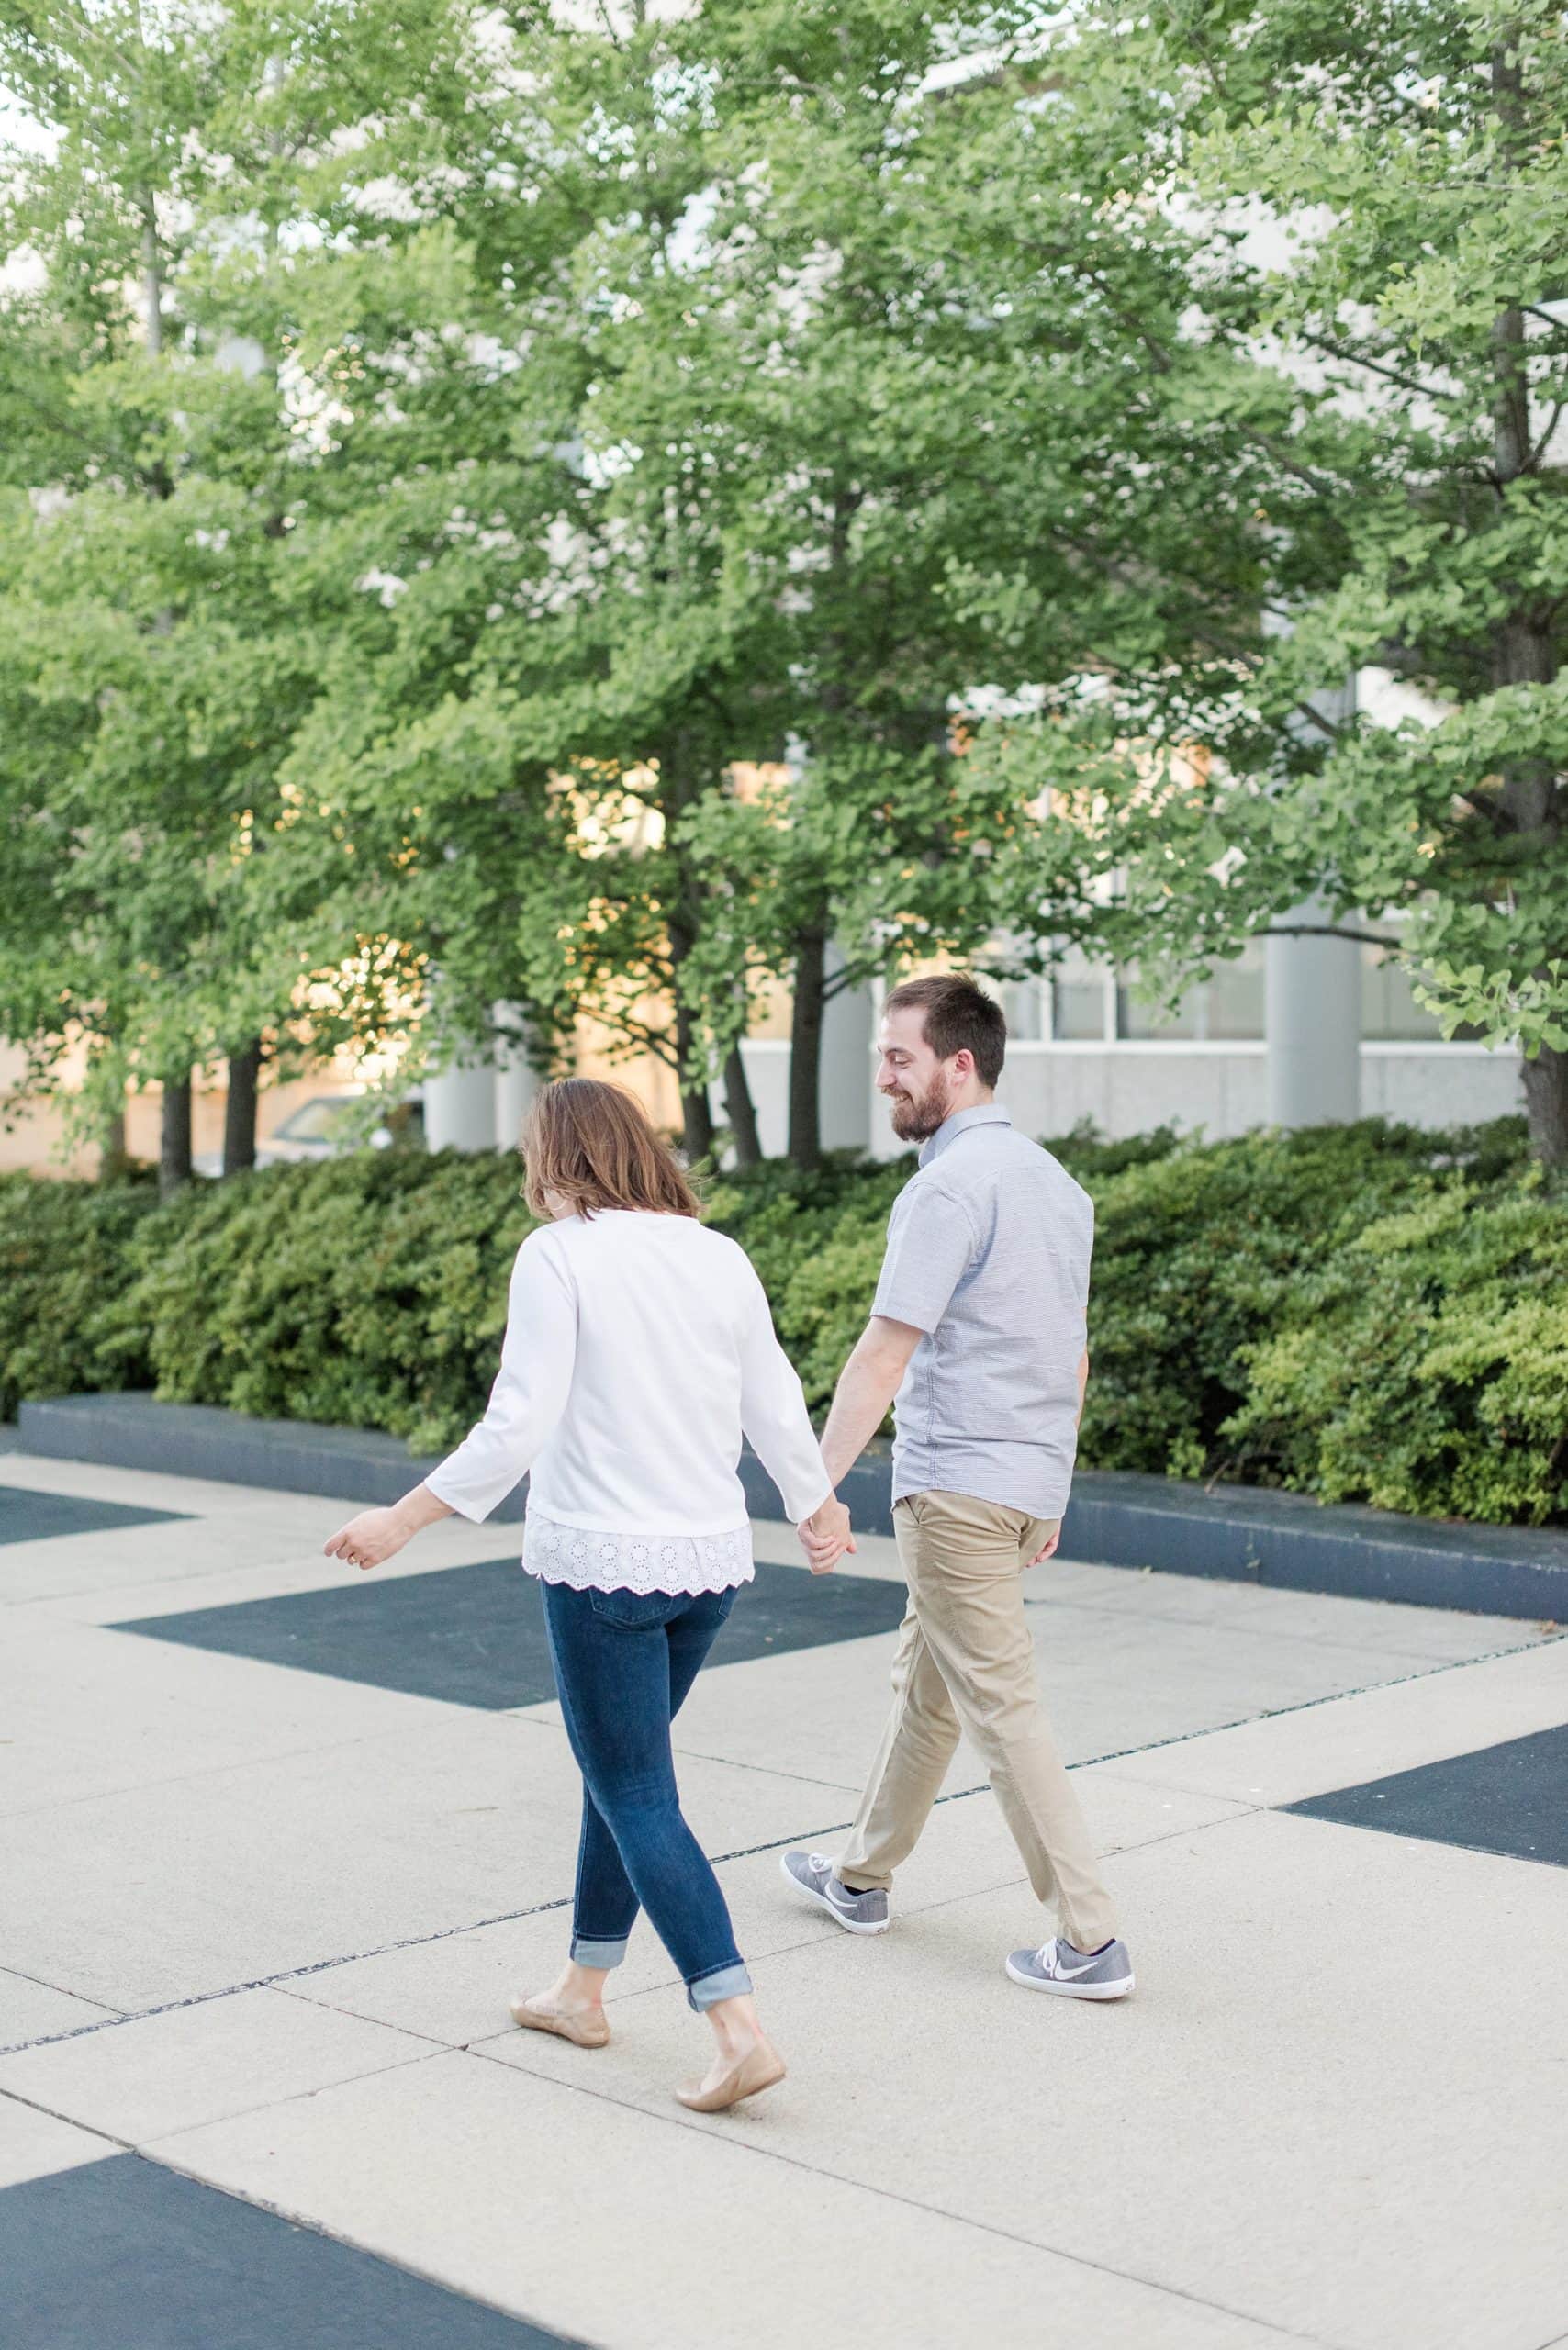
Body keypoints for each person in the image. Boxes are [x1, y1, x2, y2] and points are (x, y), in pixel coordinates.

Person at [325, 1077, 853, 2109]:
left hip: (602, 1567)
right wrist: (814, 1502)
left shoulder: (558, 1257)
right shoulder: (718, 1254)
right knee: (620, 1777)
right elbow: (775, 1396)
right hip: (706, 1569)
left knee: (636, 1791)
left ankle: (736, 2025)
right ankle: (582, 1987)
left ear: (552, 1159)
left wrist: (404, 1517)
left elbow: (518, 1420)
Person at [782, 974, 1133, 1999]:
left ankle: (1088, 1939)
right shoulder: (1056, 1186)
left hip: (955, 1495)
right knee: (927, 1689)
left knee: (1000, 1709)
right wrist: (1051, 1494)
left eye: (898, 1058)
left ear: (958, 1063)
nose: (884, 1077)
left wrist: (814, 1486)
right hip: (1018, 1492)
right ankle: (860, 1877)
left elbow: (883, 1353)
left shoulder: (947, 1186)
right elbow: (1072, 1359)